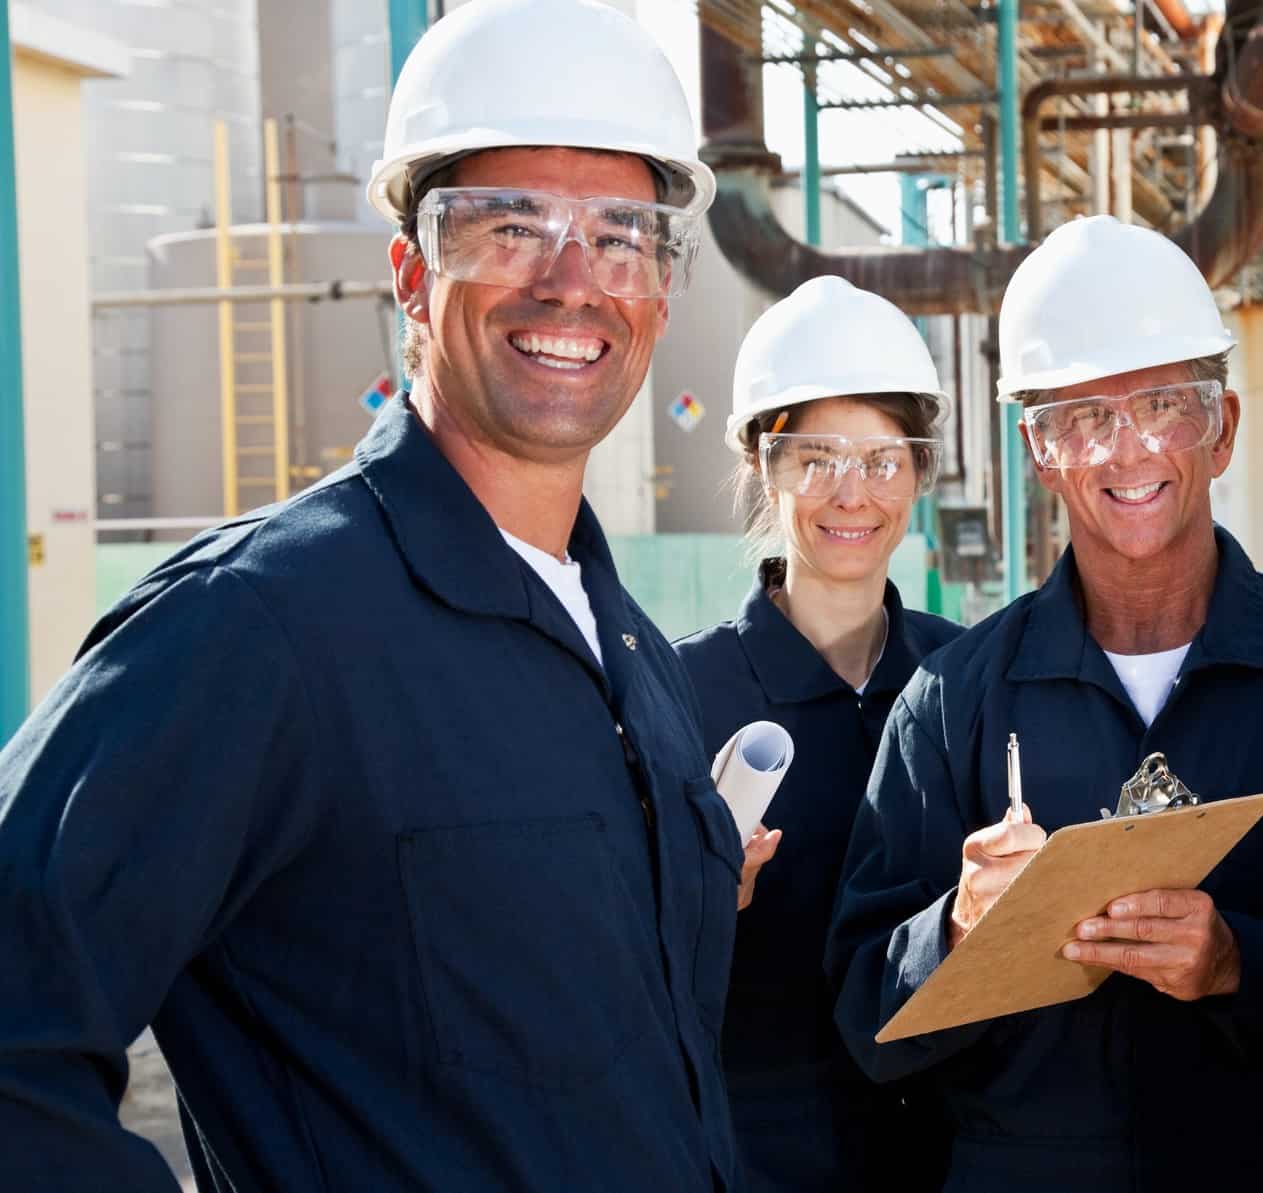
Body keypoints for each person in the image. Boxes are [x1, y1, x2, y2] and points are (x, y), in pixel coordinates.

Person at [0, 1, 748, 1189]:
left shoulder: (635, 656)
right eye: (510, 226)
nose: (572, 280)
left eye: (621, 236)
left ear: (660, 287)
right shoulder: (259, 629)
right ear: (410, 273)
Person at [827, 214, 1263, 1191]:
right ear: (1039, 449)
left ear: (1224, 427)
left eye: (1165, 403)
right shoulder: (951, 706)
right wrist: (958, 926)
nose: (1129, 451)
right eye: (1084, 416)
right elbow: (864, 1020)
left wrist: (1240, 960)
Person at [675, 276, 961, 1191]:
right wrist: (702, 897)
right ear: (765, 464)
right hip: (759, 1157)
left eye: (882, 459)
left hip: (950, 1149)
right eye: (816, 457)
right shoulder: (678, 693)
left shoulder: (966, 679)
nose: (852, 493)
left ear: (919, 470)